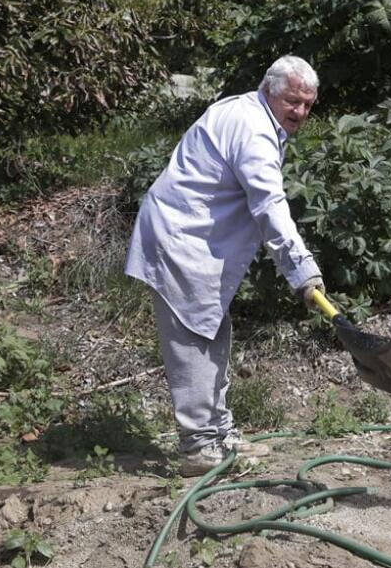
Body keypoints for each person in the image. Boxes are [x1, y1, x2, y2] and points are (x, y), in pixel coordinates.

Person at [125, 55, 326, 475]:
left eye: (308, 104)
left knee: (212, 329)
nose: (300, 112)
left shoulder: (249, 113)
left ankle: (219, 431)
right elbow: (268, 204)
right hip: (181, 238)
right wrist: (302, 270)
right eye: (292, 100)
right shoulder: (252, 129)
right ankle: (199, 448)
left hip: (197, 238)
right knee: (194, 339)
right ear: (269, 90)